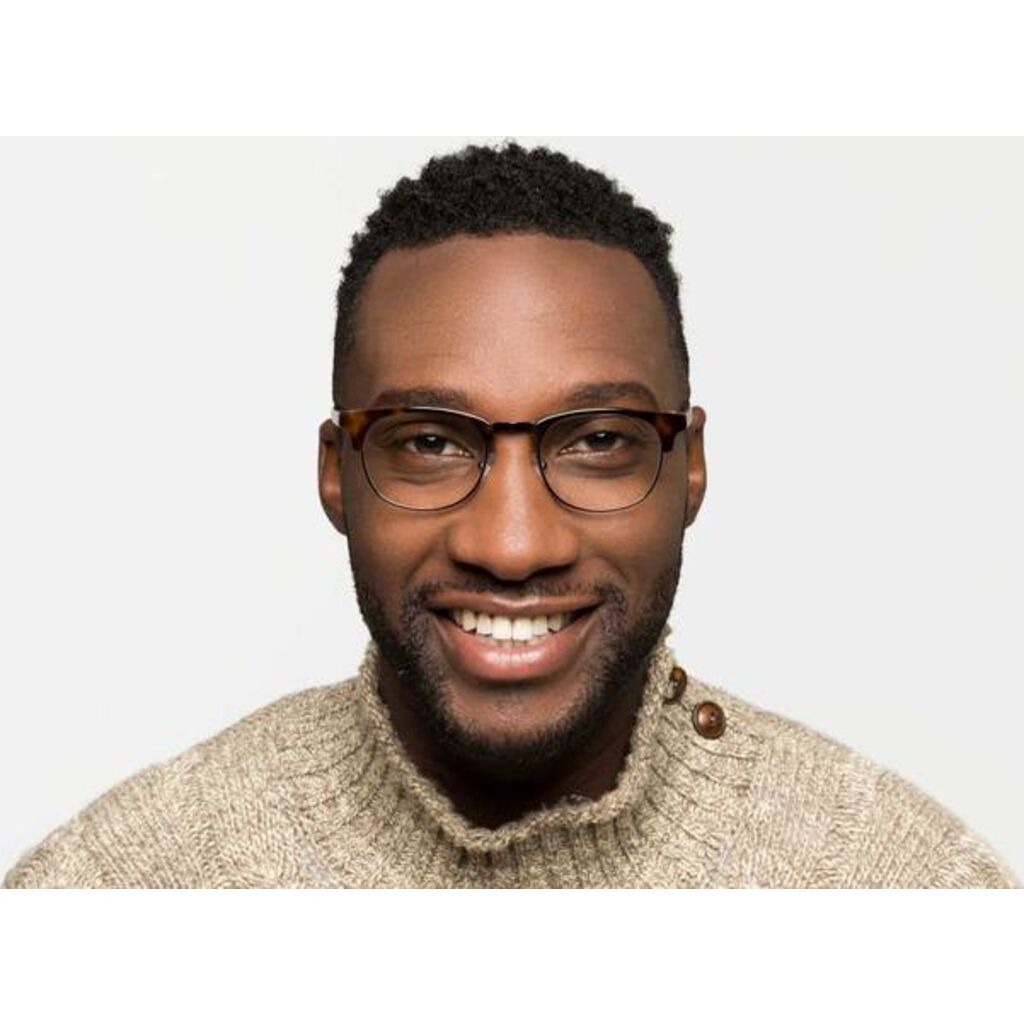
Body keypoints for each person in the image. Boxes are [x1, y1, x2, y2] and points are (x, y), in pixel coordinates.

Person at [4, 142, 1016, 888]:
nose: (514, 544)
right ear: (336, 475)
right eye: (431, 443)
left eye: (599, 439)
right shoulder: (123, 888)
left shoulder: (902, 885)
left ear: (691, 469)